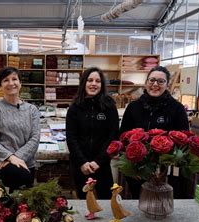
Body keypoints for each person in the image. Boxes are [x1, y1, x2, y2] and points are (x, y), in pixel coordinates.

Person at [120, 65, 190, 199]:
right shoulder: (134, 107)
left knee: (161, 204)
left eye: (160, 81)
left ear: (167, 84)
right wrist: (130, 164)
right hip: (137, 169)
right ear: (146, 83)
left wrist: (169, 164)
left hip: (165, 172)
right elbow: (123, 136)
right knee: (140, 202)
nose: (155, 84)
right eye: (151, 80)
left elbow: (183, 140)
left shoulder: (177, 109)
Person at [0, 67, 40, 191]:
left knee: (25, 200)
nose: (11, 83)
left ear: (20, 83)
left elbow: (35, 139)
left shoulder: (32, 110)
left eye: (14, 79)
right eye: (6, 80)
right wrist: (10, 157)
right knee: (24, 179)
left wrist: (16, 158)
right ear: (0, 85)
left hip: (26, 161)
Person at [66, 67, 119, 199]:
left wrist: (99, 161)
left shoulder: (109, 106)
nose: (93, 84)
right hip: (80, 165)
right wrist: (82, 162)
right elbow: (71, 137)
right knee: (85, 202)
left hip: (102, 164)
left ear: (102, 85)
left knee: (107, 200)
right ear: (84, 83)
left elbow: (113, 136)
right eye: (90, 80)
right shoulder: (75, 107)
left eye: (98, 81)